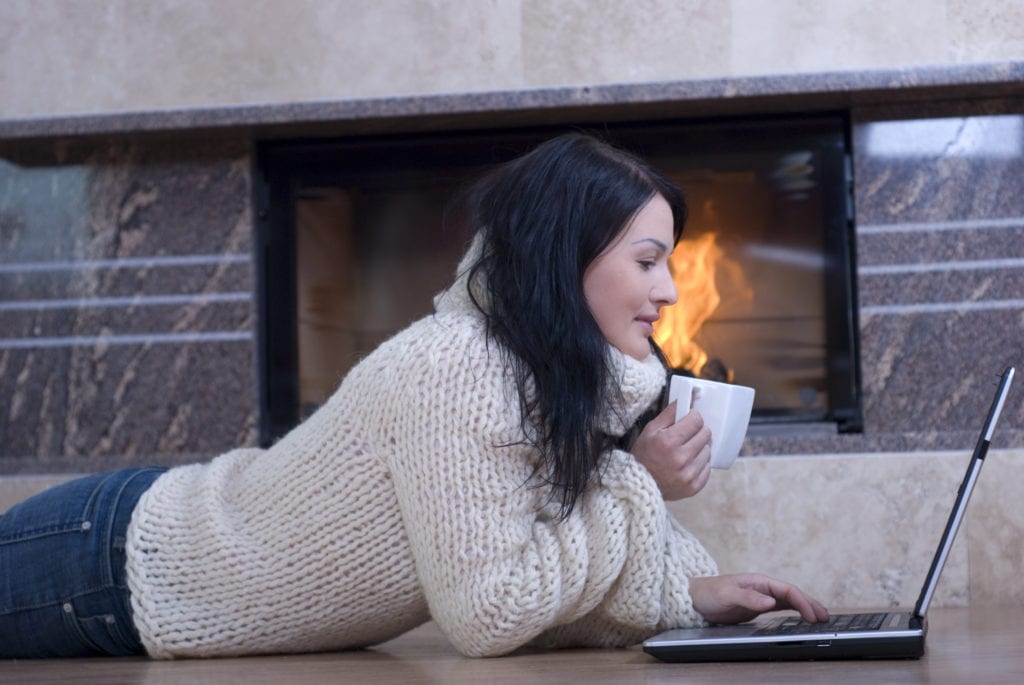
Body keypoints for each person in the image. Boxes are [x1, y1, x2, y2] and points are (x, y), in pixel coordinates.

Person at [0, 133, 828, 659]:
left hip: (137, 556)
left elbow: (535, 574)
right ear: (562, 258)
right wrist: (637, 478)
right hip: (116, 563)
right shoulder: (458, 367)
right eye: (648, 260)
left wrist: (688, 596)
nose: (672, 290)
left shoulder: (554, 376)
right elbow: (490, 614)